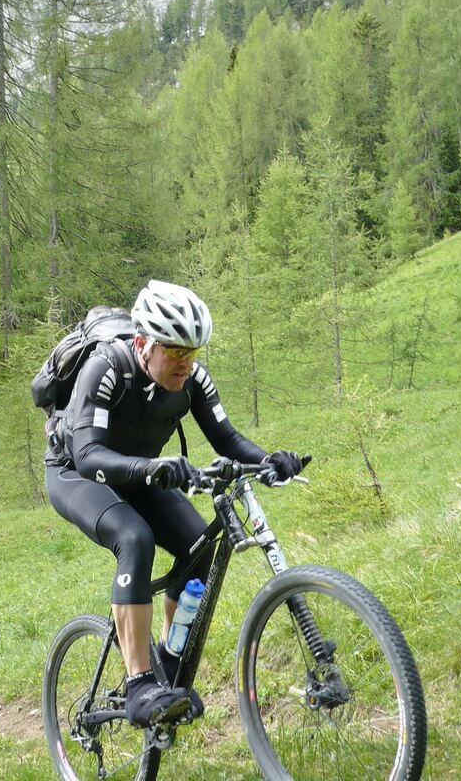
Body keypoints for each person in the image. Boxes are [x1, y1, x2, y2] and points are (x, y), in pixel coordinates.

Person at [44, 280, 306, 728]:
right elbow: (87, 455)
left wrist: (269, 460)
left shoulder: (193, 379)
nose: (185, 362)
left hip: (144, 472)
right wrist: (152, 467)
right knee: (135, 538)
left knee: (198, 547)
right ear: (143, 345)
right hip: (76, 473)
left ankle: (167, 662)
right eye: (175, 351)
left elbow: (226, 438)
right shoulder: (106, 368)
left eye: (193, 351)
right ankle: (139, 685)